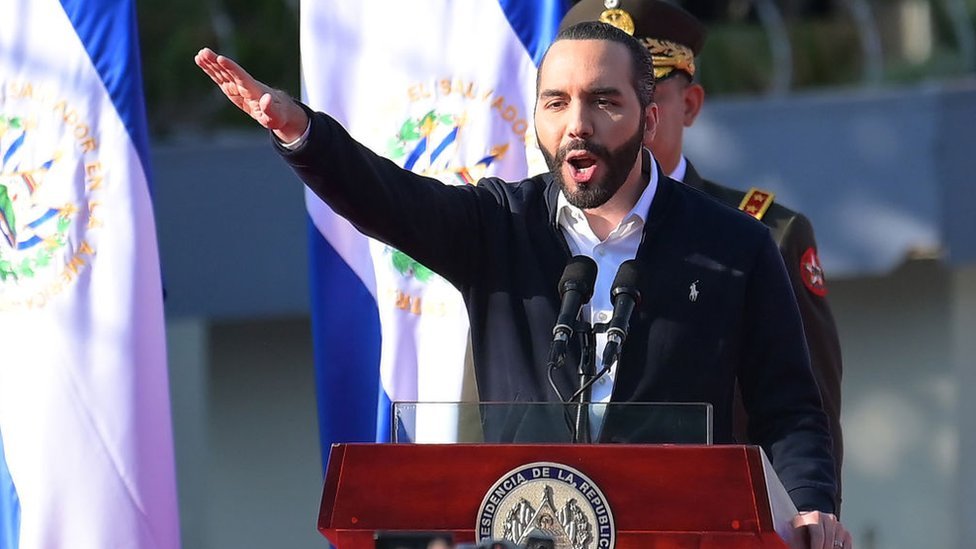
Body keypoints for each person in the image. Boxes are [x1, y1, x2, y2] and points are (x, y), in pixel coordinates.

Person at [195, 20, 851, 549]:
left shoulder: (736, 244)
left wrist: (814, 505)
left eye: (603, 101)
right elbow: (389, 198)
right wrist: (300, 133)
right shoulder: (498, 223)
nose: (577, 123)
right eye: (556, 102)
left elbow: (791, 405)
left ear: (649, 118)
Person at [560, 0, 845, 509]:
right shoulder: (536, 224)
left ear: (688, 104)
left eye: (635, 95)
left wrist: (808, 517)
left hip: (710, 519)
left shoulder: (763, 235)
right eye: (590, 98)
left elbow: (805, 416)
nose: (604, 119)